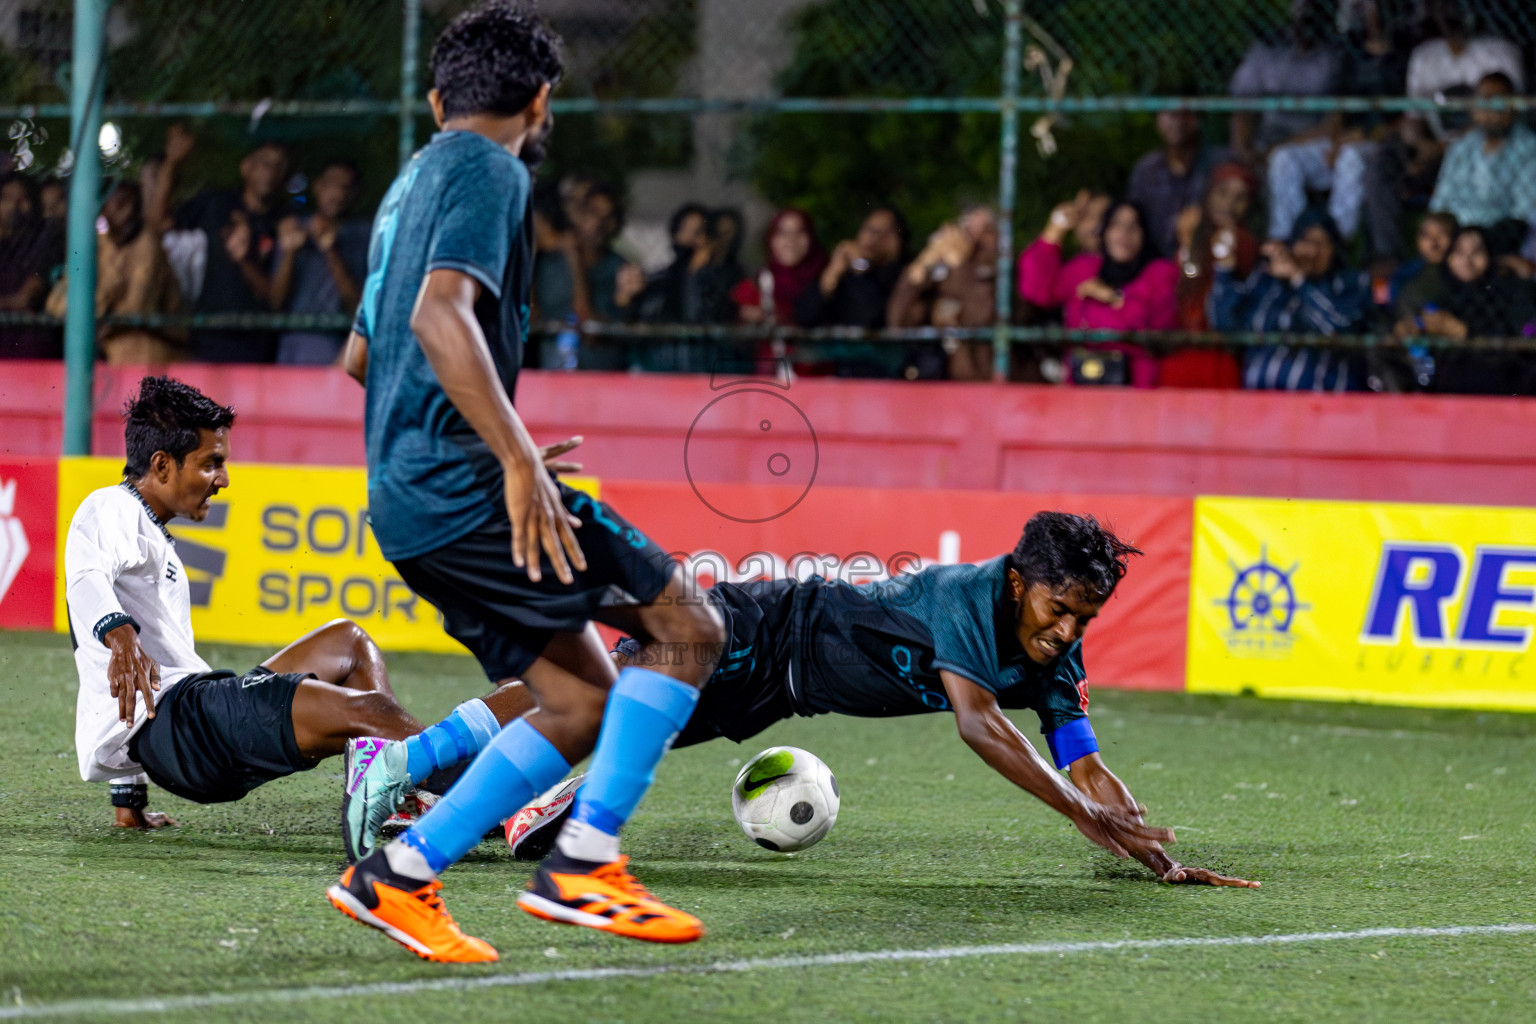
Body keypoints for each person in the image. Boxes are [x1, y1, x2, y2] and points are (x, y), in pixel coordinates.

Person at [325, 1, 723, 964]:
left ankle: (399, 878)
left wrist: (486, 437)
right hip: (461, 490)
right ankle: (585, 862)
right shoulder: (491, 169)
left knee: (579, 694)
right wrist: (507, 457)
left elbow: (358, 356)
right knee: (688, 628)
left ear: (435, 100)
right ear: (541, 100)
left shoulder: (405, 188)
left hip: (410, 501)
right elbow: (438, 318)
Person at [486, 513, 1254, 890]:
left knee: (620, 735)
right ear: (1021, 583)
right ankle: (421, 756)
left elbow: (1085, 764)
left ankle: (459, 796)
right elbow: (979, 725)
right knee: (593, 700)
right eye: (1060, 607)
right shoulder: (970, 595)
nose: (1069, 628)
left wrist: (1159, 856)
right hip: (764, 628)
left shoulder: (1056, 656)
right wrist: (1079, 812)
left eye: (1086, 617)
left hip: (780, 696)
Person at [65, 377, 428, 827]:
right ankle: (494, 794)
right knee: (371, 712)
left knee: (347, 642)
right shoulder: (111, 507)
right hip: (189, 725)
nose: (223, 478)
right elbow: (84, 577)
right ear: (162, 465)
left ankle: (393, 792)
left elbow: (124, 691)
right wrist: (117, 633)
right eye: (211, 463)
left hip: (187, 727)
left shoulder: (143, 527)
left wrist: (128, 801)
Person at [1019, 195, 1177, 388]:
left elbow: (1161, 333)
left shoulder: (1159, 274)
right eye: (1116, 225)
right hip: (1082, 388)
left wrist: (1113, 298)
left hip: (1135, 395)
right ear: (1104, 231)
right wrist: (1055, 229)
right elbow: (1037, 290)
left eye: (1133, 227)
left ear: (1145, 234)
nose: (1124, 234)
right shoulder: (1085, 269)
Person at [1210, 210, 1369, 392]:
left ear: (1334, 250)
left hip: (1323, 409)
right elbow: (1223, 325)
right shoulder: (1268, 283)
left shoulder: (1349, 283)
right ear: (1292, 244)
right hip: (1258, 407)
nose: (1312, 250)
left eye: (1321, 244)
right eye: (1305, 241)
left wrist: (1298, 278)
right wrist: (1225, 267)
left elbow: (1337, 326)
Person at [170, 137, 293, 363]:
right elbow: (160, 224)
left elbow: (274, 301)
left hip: (257, 343)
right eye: (265, 163)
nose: (271, 172)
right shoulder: (217, 204)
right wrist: (172, 162)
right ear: (246, 168)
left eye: (280, 166)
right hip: (208, 335)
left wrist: (244, 259)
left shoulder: (285, 222)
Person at [45, 180, 185, 365]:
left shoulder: (148, 243)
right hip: (97, 350)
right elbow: (56, 303)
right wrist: (100, 304)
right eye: (118, 203)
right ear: (102, 208)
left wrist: (93, 313)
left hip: (146, 353)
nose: (126, 212)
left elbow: (137, 307)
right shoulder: (91, 243)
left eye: (131, 203)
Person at [1395, 225, 1536, 395]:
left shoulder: (1513, 293)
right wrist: (1410, 335)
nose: (1466, 261)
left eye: (1476, 252)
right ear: (1448, 258)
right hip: (1447, 399)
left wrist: (1463, 332)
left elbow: (1524, 343)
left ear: (1491, 256)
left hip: (1504, 394)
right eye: (1459, 252)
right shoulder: (1440, 296)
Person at [1162, 163, 1261, 388]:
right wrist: (1187, 242)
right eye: (1223, 193)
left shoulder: (1245, 245)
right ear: (1209, 195)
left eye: (1241, 198)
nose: (1229, 204)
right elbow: (1186, 280)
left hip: (1220, 357)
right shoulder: (1192, 236)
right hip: (1181, 353)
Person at [271, 160, 369, 365]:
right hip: (289, 344)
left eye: (345, 187)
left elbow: (358, 306)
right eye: (332, 184)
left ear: (354, 194)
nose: (338, 193)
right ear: (318, 187)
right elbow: (275, 302)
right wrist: (289, 252)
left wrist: (330, 250)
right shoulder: (293, 228)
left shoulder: (362, 235)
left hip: (335, 343)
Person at [887, 205, 1001, 380]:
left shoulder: (1005, 278)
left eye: (986, 231)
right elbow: (898, 322)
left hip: (987, 388)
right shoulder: (941, 279)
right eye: (967, 230)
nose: (975, 239)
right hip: (936, 388)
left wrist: (960, 265)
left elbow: (982, 317)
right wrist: (925, 261)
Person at [1228, 0, 1341, 170]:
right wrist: (1245, 152)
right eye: (1301, 12)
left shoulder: (1332, 58)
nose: (1306, 19)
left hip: (1313, 144)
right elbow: (1243, 110)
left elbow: (1334, 121)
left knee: (1283, 159)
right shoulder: (1267, 51)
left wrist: (1285, 146)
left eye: (1312, 12)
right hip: (1266, 141)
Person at [1427, 72, 1536, 231]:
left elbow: (1524, 215)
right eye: (1485, 100)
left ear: (1514, 106)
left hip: (1503, 238)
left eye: (1499, 101)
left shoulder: (1529, 147)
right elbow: (1440, 203)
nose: (1492, 110)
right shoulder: (1461, 147)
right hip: (1457, 239)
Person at [1125, 109, 1225, 259]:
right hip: (1155, 265)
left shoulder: (1221, 164)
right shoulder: (1146, 170)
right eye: (1168, 113)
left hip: (1211, 263)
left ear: (1198, 118)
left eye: (1184, 112)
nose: (1177, 120)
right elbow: (1132, 221)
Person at [793, 204, 908, 331]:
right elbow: (804, 317)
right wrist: (832, 273)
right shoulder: (842, 271)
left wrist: (859, 266)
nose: (874, 239)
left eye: (884, 233)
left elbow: (870, 319)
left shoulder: (902, 275)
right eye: (870, 229)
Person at [0, 173, 64, 359]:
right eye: (6, 198)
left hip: (31, 352)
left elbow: (25, 299)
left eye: (23, 199)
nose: (14, 206)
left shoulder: (45, 240)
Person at [730, 207, 828, 326]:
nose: (791, 240)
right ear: (771, 240)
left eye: (800, 232)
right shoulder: (755, 286)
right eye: (783, 233)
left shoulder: (827, 280)